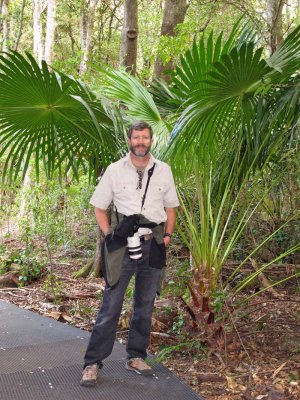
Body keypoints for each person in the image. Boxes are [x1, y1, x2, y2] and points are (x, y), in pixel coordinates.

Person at [80, 121, 179, 387]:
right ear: (129, 140)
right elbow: (100, 207)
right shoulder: (114, 170)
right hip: (123, 245)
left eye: (145, 137)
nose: (140, 142)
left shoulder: (164, 170)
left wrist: (167, 237)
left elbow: (171, 208)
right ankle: (92, 363)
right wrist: (110, 236)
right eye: (136, 137)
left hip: (153, 243)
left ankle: (136, 356)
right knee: (111, 304)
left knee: (145, 304)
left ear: (151, 141)